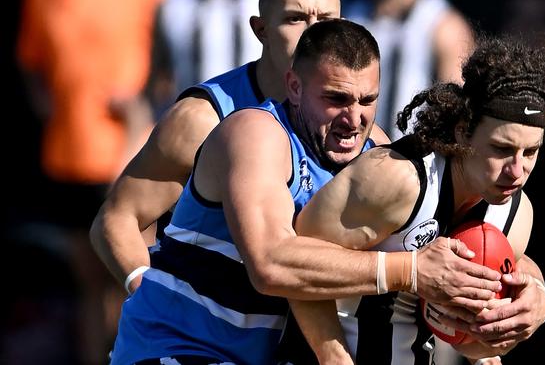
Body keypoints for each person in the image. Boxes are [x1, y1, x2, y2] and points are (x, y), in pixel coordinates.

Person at [108, 19, 506, 364]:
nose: (354, 119)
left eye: (368, 100)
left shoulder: (377, 155)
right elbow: (270, 265)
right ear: (294, 87)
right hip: (182, 350)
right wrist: (412, 272)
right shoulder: (255, 133)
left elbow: (449, 239)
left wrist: (533, 295)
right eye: (336, 99)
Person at [281, 33, 545, 364]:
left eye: (531, 152)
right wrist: (333, 358)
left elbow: (470, 343)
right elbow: (293, 265)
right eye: (501, 149)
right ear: (463, 130)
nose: (517, 170)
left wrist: (517, 320)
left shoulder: (515, 215)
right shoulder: (398, 179)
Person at [89, 0, 383, 295]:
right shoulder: (202, 119)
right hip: (196, 338)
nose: (311, 34)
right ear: (261, 30)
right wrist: (151, 301)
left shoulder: (360, 135)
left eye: (326, 20)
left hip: (275, 336)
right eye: (294, 19)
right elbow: (115, 220)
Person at [16, 0, 160, 363]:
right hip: (69, 160)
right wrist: (50, 106)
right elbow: (30, 62)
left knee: (135, 279)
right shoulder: (41, 5)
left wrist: (137, 123)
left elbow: (166, 70)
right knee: (89, 283)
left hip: (129, 160)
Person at [343, 0, 475, 140]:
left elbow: (458, 109)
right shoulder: (351, 14)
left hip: (415, 151)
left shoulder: (443, 24)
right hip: (359, 144)